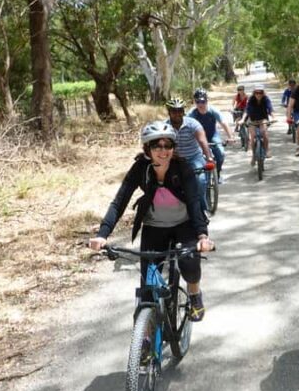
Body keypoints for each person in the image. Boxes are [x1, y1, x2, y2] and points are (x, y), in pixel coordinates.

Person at [88, 121, 215, 321]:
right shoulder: (141, 168)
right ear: (147, 148)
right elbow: (119, 202)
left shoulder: (183, 168)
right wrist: (102, 234)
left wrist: (202, 235)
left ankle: (194, 293)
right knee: (148, 286)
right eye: (157, 146)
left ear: (173, 148)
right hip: (154, 227)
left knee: (189, 264)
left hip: (185, 224)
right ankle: (144, 335)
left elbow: (193, 202)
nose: (163, 151)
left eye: (168, 146)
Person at [165, 98, 214, 210]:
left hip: (194, 158)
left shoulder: (192, 123)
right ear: (169, 112)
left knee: (200, 181)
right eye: (174, 111)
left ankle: (202, 209)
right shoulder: (164, 126)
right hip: (174, 160)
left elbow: (202, 140)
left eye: (179, 111)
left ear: (183, 111)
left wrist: (209, 157)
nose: (177, 114)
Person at [189, 88, 234, 184]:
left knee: (220, 153)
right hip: (198, 139)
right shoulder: (192, 114)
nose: (200, 104)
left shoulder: (213, 111)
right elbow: (185, 126)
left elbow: (224, 123)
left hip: (212, 135)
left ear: (207, 101)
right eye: (198, 102)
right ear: (195, 102)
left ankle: (217, 174)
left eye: (203, 101)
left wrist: (231, 137)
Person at [241, 84, 274, 165]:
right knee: (252, 136)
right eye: (256, 93)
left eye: (260, 92)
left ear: (263, 93)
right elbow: (246, 111)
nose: (258, 94)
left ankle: (266, 150)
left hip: (263, 119)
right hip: (253, 120)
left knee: (264, 133)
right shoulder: (250, 100)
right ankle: (253, 156)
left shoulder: (266, 99)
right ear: (254, 93)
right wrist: (242, 119)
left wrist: (273, 117)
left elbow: (270, 109)